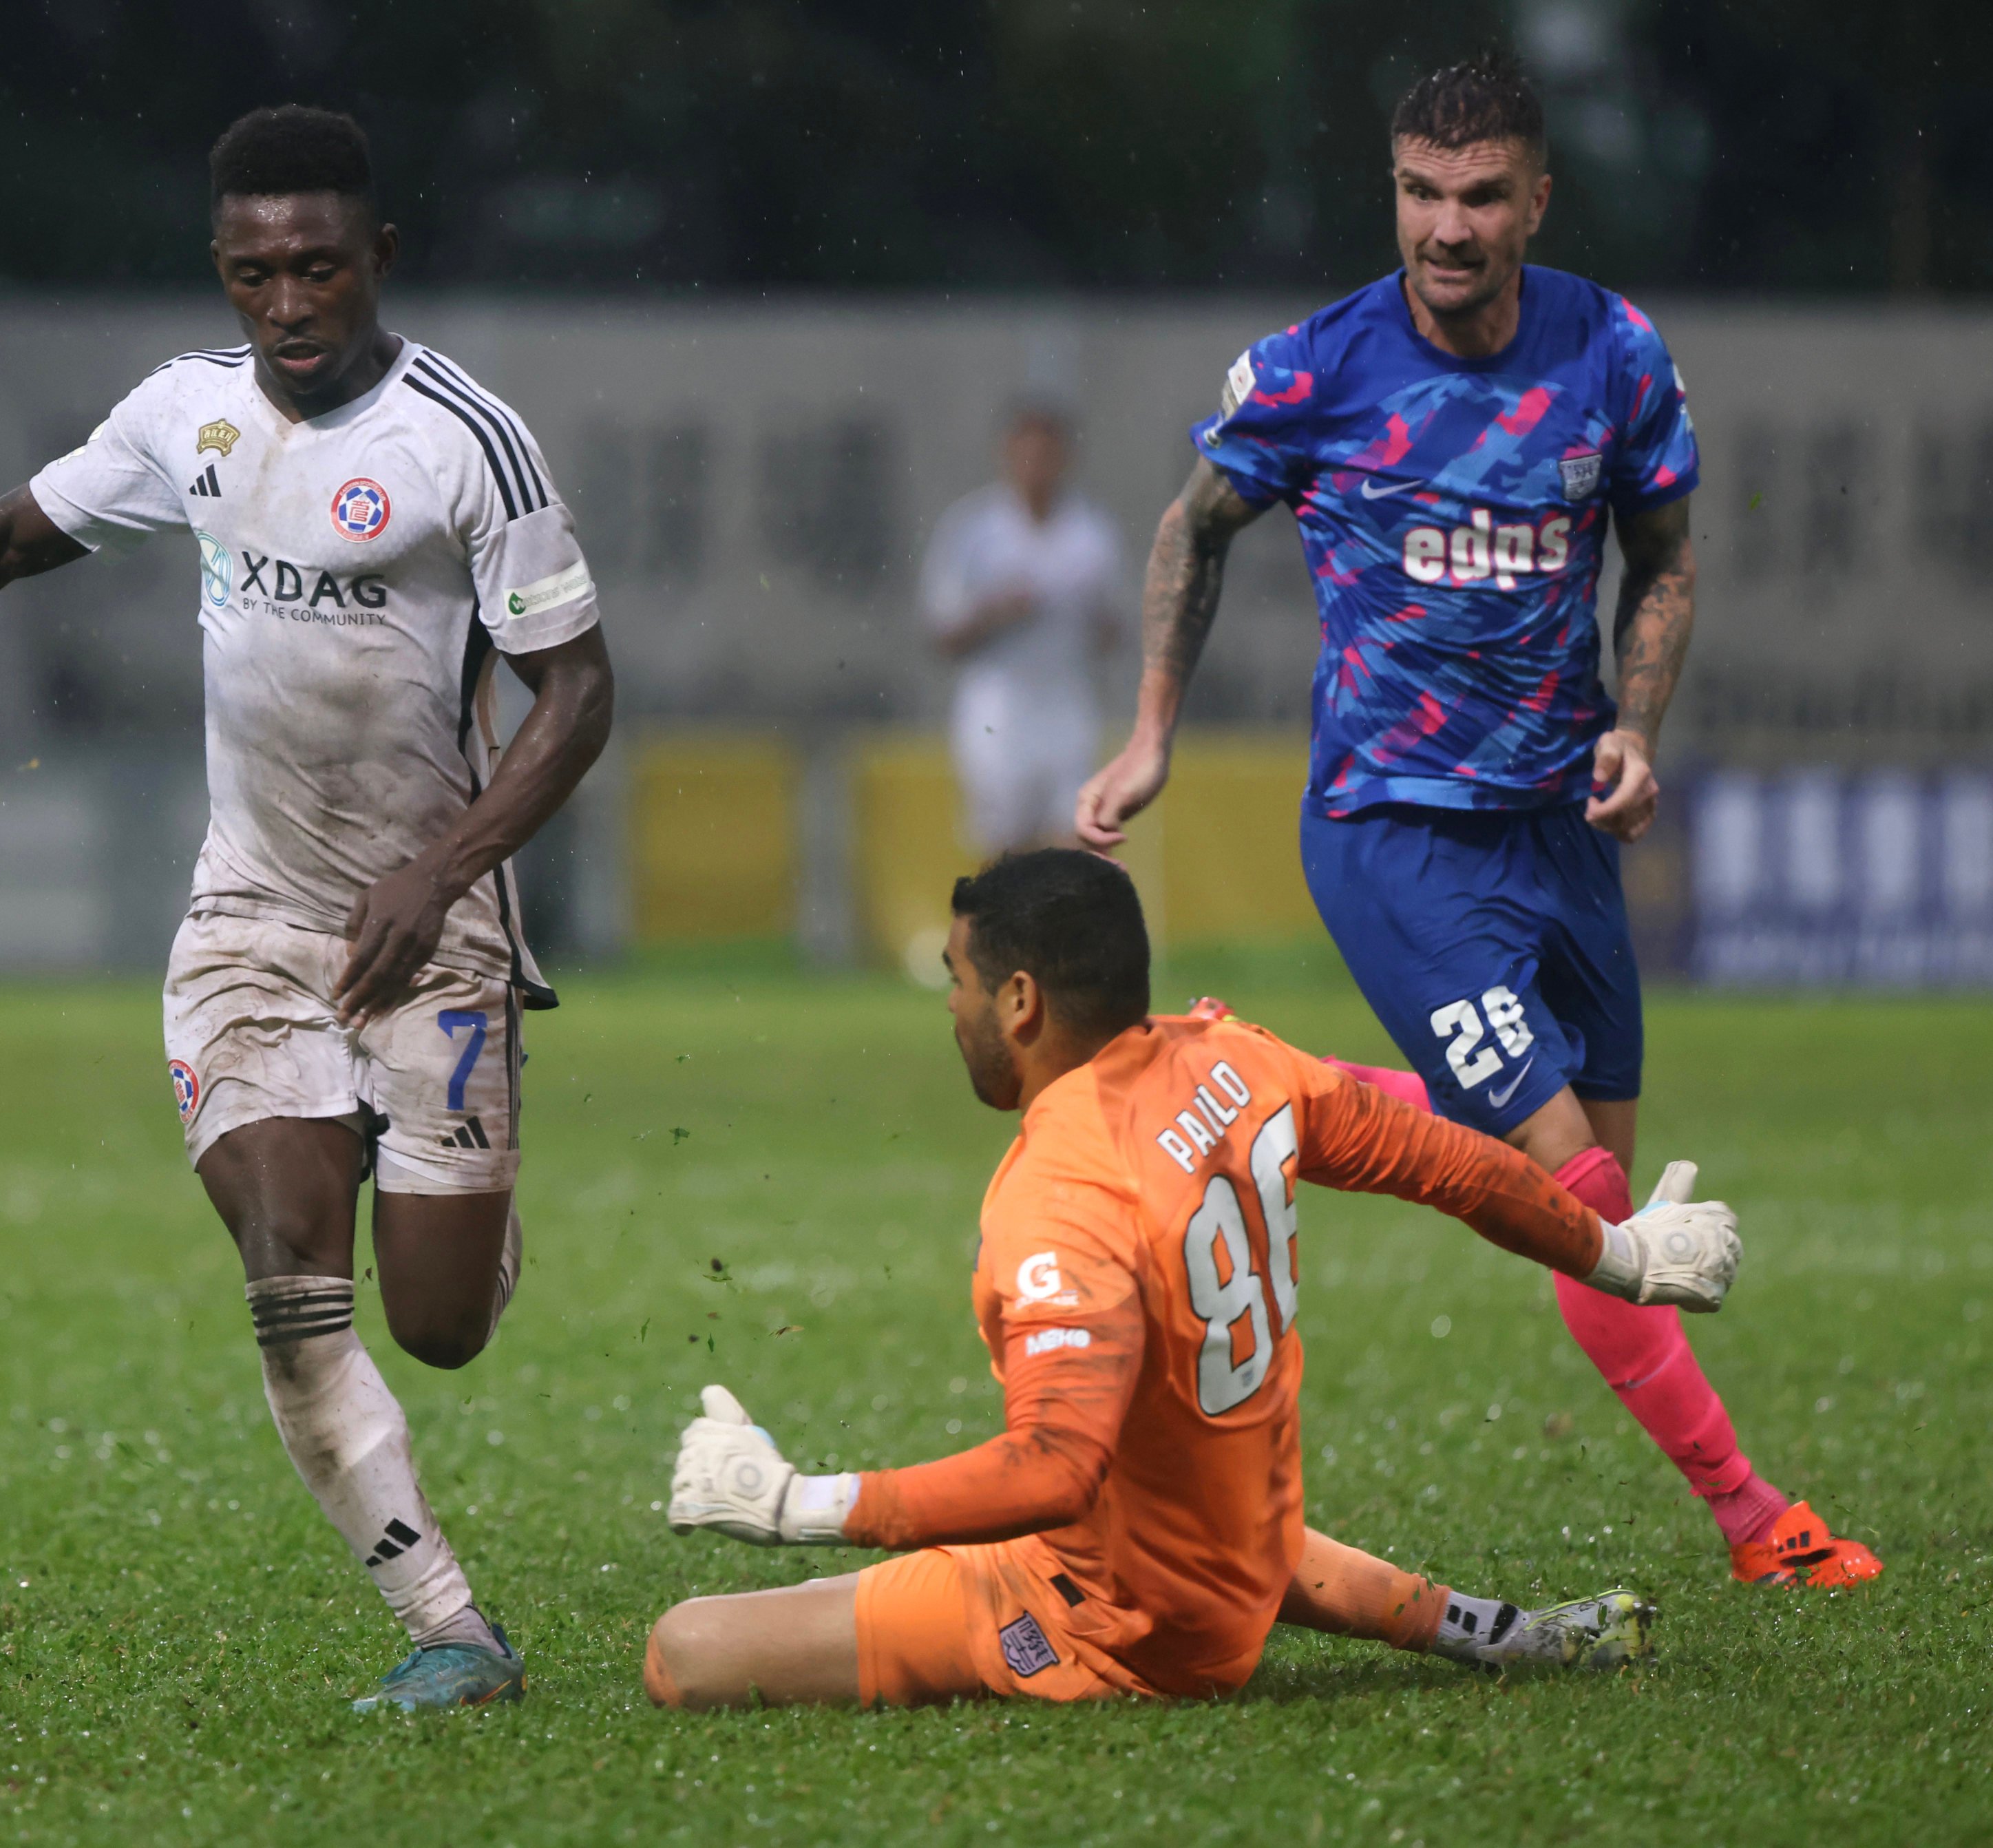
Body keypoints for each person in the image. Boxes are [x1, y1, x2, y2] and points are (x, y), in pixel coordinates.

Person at [0, 106, 615, 1713]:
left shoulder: (465, 441)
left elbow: (579, 693)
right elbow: (8, 531)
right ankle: (454, 1628)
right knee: (287, 1272)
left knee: (440, 1324)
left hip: (436, 921)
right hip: (251, 918)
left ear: (379, 258)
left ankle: (457, 1207)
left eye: (320, 266)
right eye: (257, 271)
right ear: (222, 269)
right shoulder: (183, 416)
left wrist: (441, 869)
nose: (288, 300)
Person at [1072, 53, 1877, 1590]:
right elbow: (1193, 524)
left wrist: (1634, 731)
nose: (1446, 228)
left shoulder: (1612, 353)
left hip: (1562, 833)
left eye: (1481, 196)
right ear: (1392, 192)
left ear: (1535, 199)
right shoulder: (1317, 368)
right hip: (1392, 832)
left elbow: (1665, 559)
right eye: (1419, 195)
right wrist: (1153, 731)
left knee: (1586, 1217)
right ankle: (1754, 1519)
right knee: (1579, 1197)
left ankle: (1277, 1095)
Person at [644, 850, 1738, 1709]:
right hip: (1233, 1542)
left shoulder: (1062, 1188)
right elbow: (1445, 1161)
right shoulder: (1237, 1059)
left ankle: (1009, 1608)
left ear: (1019, 1001)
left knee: (684, 1649)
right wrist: (1621, 1255)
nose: (951, 1009)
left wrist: (798, 1505)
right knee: (1176, 1494)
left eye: (959, 982)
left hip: (1115, 1622)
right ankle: (1495, 1631)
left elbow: (1054, 1469)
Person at [919, 403, 1124, 854]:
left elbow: (1114, 631)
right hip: (999, 706)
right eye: (1027, 455)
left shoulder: (1091, 532)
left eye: (1048, 455)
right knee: (1006, 856)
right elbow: (943, 634)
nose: (1037, 467)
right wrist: (997, 612)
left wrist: (1090, 617)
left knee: (1071, 845)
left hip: (1067, 700)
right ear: (1006, 455)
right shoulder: (973, 530)